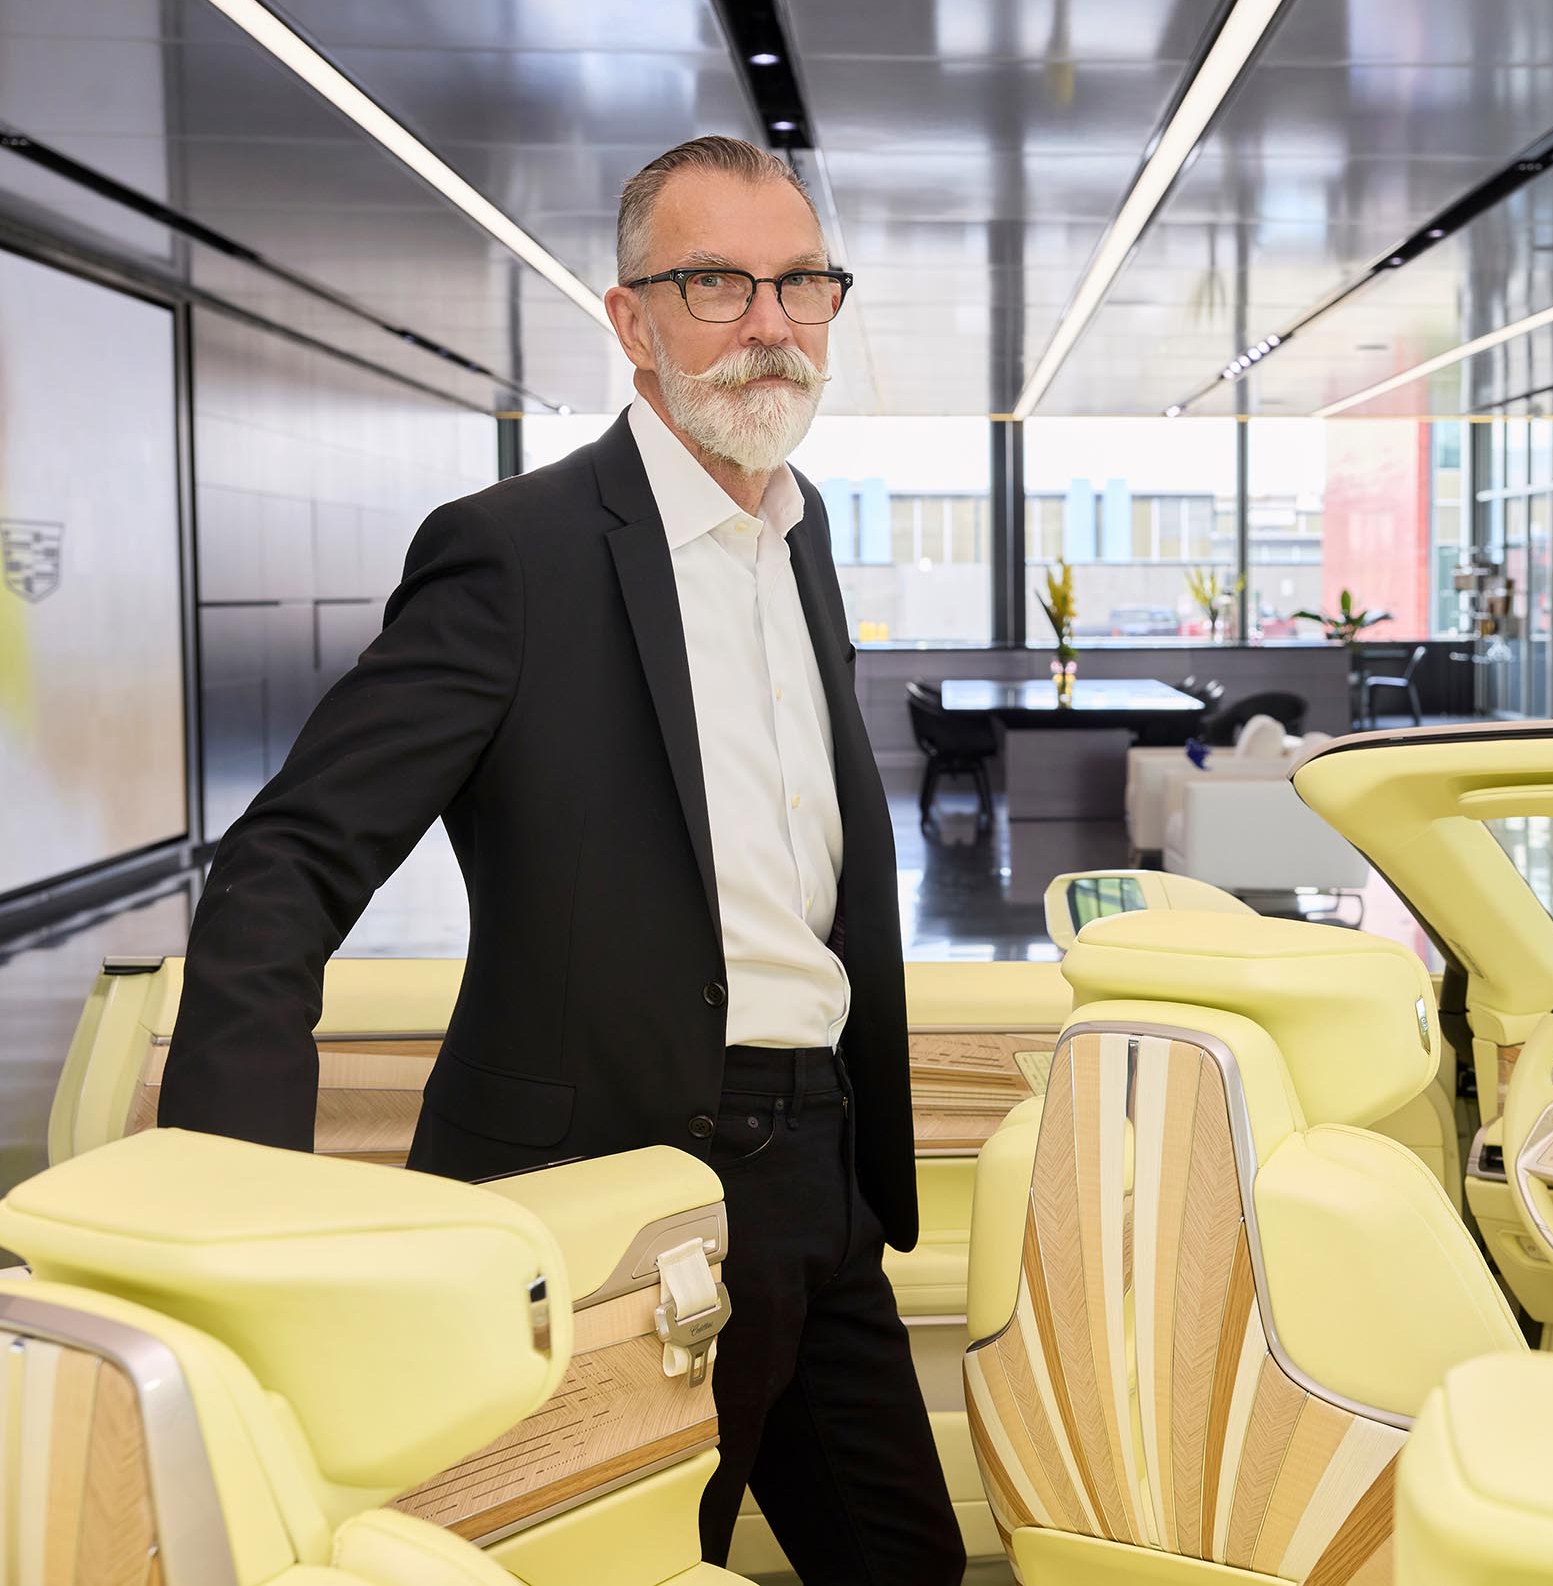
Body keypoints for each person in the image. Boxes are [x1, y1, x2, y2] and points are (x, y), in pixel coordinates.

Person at [157, 135, 965, 1584]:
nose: (769, 323)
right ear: (631, 318)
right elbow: (284, 865)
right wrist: (237, 1208)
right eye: (716, 282)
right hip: (613, 1195)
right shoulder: (514, 555)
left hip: (823, 1181)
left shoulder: (803, 533)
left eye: (802, 283)